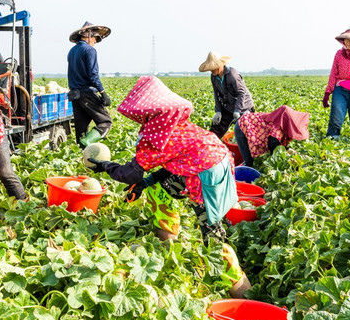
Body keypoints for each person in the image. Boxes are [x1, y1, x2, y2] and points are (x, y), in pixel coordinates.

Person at [87, 76, 238, 243]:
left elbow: (129, 174)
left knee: (210, 228)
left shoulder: (159, 136)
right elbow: (179, 166)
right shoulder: (176, 124)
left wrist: (106, 166)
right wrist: (145, 182)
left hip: (205, 173)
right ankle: (168, 236)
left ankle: (223, 262)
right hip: (218, 162)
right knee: (161, 188)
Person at [67, 21, 113, 147]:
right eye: (96, 38)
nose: (96, 42)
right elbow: (93, 75)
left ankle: (81, 154)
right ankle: (87, 142)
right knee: (106, 122)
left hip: (75, 95)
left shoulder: (72, 51)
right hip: (87, 92)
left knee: (81, 130)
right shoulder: (90, 50)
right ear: (88, 35)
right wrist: (103, 93)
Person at [199, 51, 255, 139]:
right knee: (215, 129)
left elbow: (241, 93)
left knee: (245, 134)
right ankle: (207, 147)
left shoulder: (232, 75)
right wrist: (218, 111)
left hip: (243, 107)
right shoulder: (214, 77)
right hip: (228, 106)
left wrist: (237, 110)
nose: (212, 70)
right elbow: (216, 93)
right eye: (211, 68)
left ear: (221, 65)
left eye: (213, 67)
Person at [233, 105, 310, 168]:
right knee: (249, 161)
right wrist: (280, 159)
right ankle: (243, 179)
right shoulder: (277, 128)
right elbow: (273, 145)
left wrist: (287, 149)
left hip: (249, 124)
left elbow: (279, 143)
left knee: (251, 160)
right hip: (242, 126)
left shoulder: (282, 124)